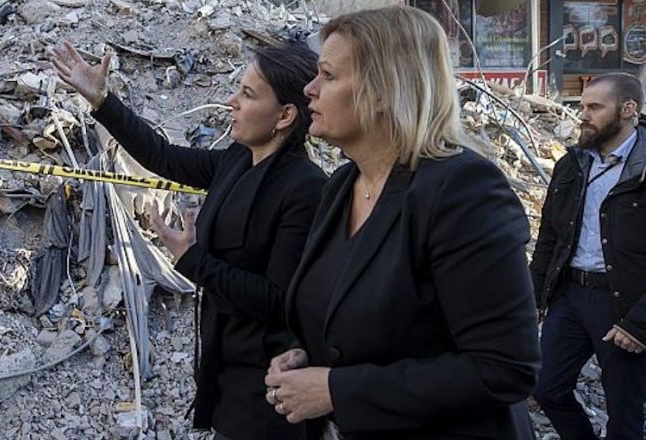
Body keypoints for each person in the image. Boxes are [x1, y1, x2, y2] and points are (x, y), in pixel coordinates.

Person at [263, 7, 540, 439]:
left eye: (329, 76)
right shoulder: (341, 187)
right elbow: (351, 317)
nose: (309, 90)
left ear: (382, 92)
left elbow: (503, 369)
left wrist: (337, 389)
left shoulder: (463, 191)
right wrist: (305, 356)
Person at [50, 41, 326, 439]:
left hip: (270, 386)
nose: (231, 101)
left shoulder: (306, 189)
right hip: (226, 369)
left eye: (248, 94)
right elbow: (162, 156)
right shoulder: (237, 159)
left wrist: (192, 258)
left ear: (285, 115)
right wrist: (102, 101)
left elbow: (278, 301)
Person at [530, 72, 646, 440]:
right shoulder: (573, 164)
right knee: (546, 387)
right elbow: (549, 236)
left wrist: (639, 323)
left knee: (624, 414)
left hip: (623, 303)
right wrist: (535, 298)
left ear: (628, 110)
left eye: (595, 107)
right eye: (582, 106)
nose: (582, 115)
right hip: (571, 296)